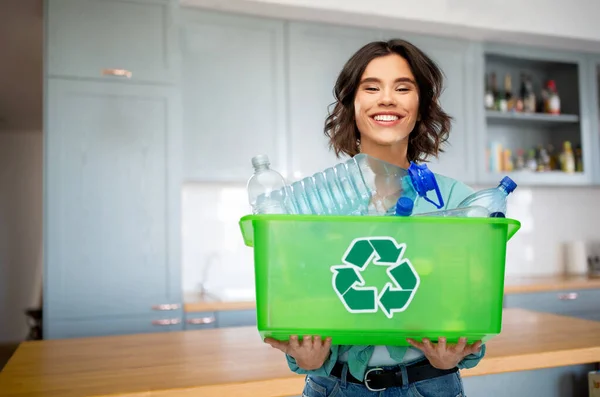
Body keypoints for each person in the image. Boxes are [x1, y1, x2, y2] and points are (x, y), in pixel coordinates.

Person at [265, 39, 485, 397]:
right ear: (352, 104)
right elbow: (296, 299)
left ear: (421, 104)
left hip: (428, 386)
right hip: (332, 387)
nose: (387, 99)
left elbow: (475, 304)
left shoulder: (457, 202)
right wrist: (305, 358)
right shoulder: (315, 203)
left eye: (403, 87)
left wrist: (455, 357)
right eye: (371, 87)